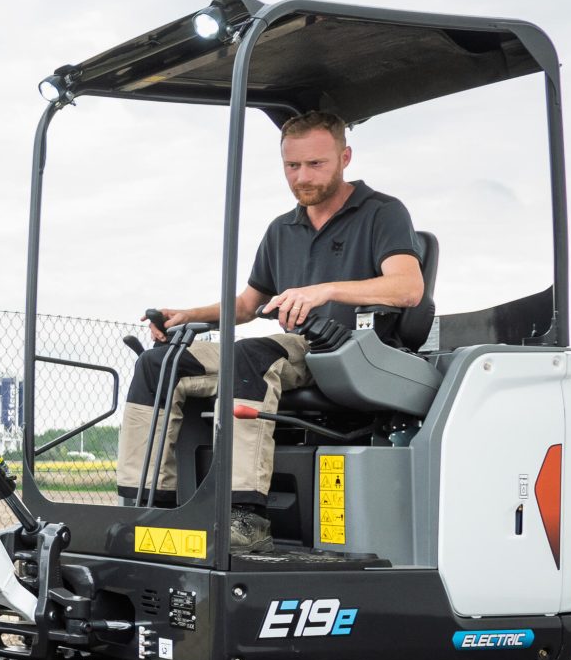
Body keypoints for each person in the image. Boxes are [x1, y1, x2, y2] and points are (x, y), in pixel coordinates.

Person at [115, 110, 423, 550]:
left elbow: (408, 288)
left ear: (345, 157)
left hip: (353, 352)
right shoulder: (282, 229)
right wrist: (186, 314)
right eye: (291, 166)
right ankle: (146, 507)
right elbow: (246, 305)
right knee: (158, 363)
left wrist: (324, 291)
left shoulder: (382, 213)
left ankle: (245, 515)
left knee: (254, 355)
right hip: (289, 347)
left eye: (315, 164)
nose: (302, 177)